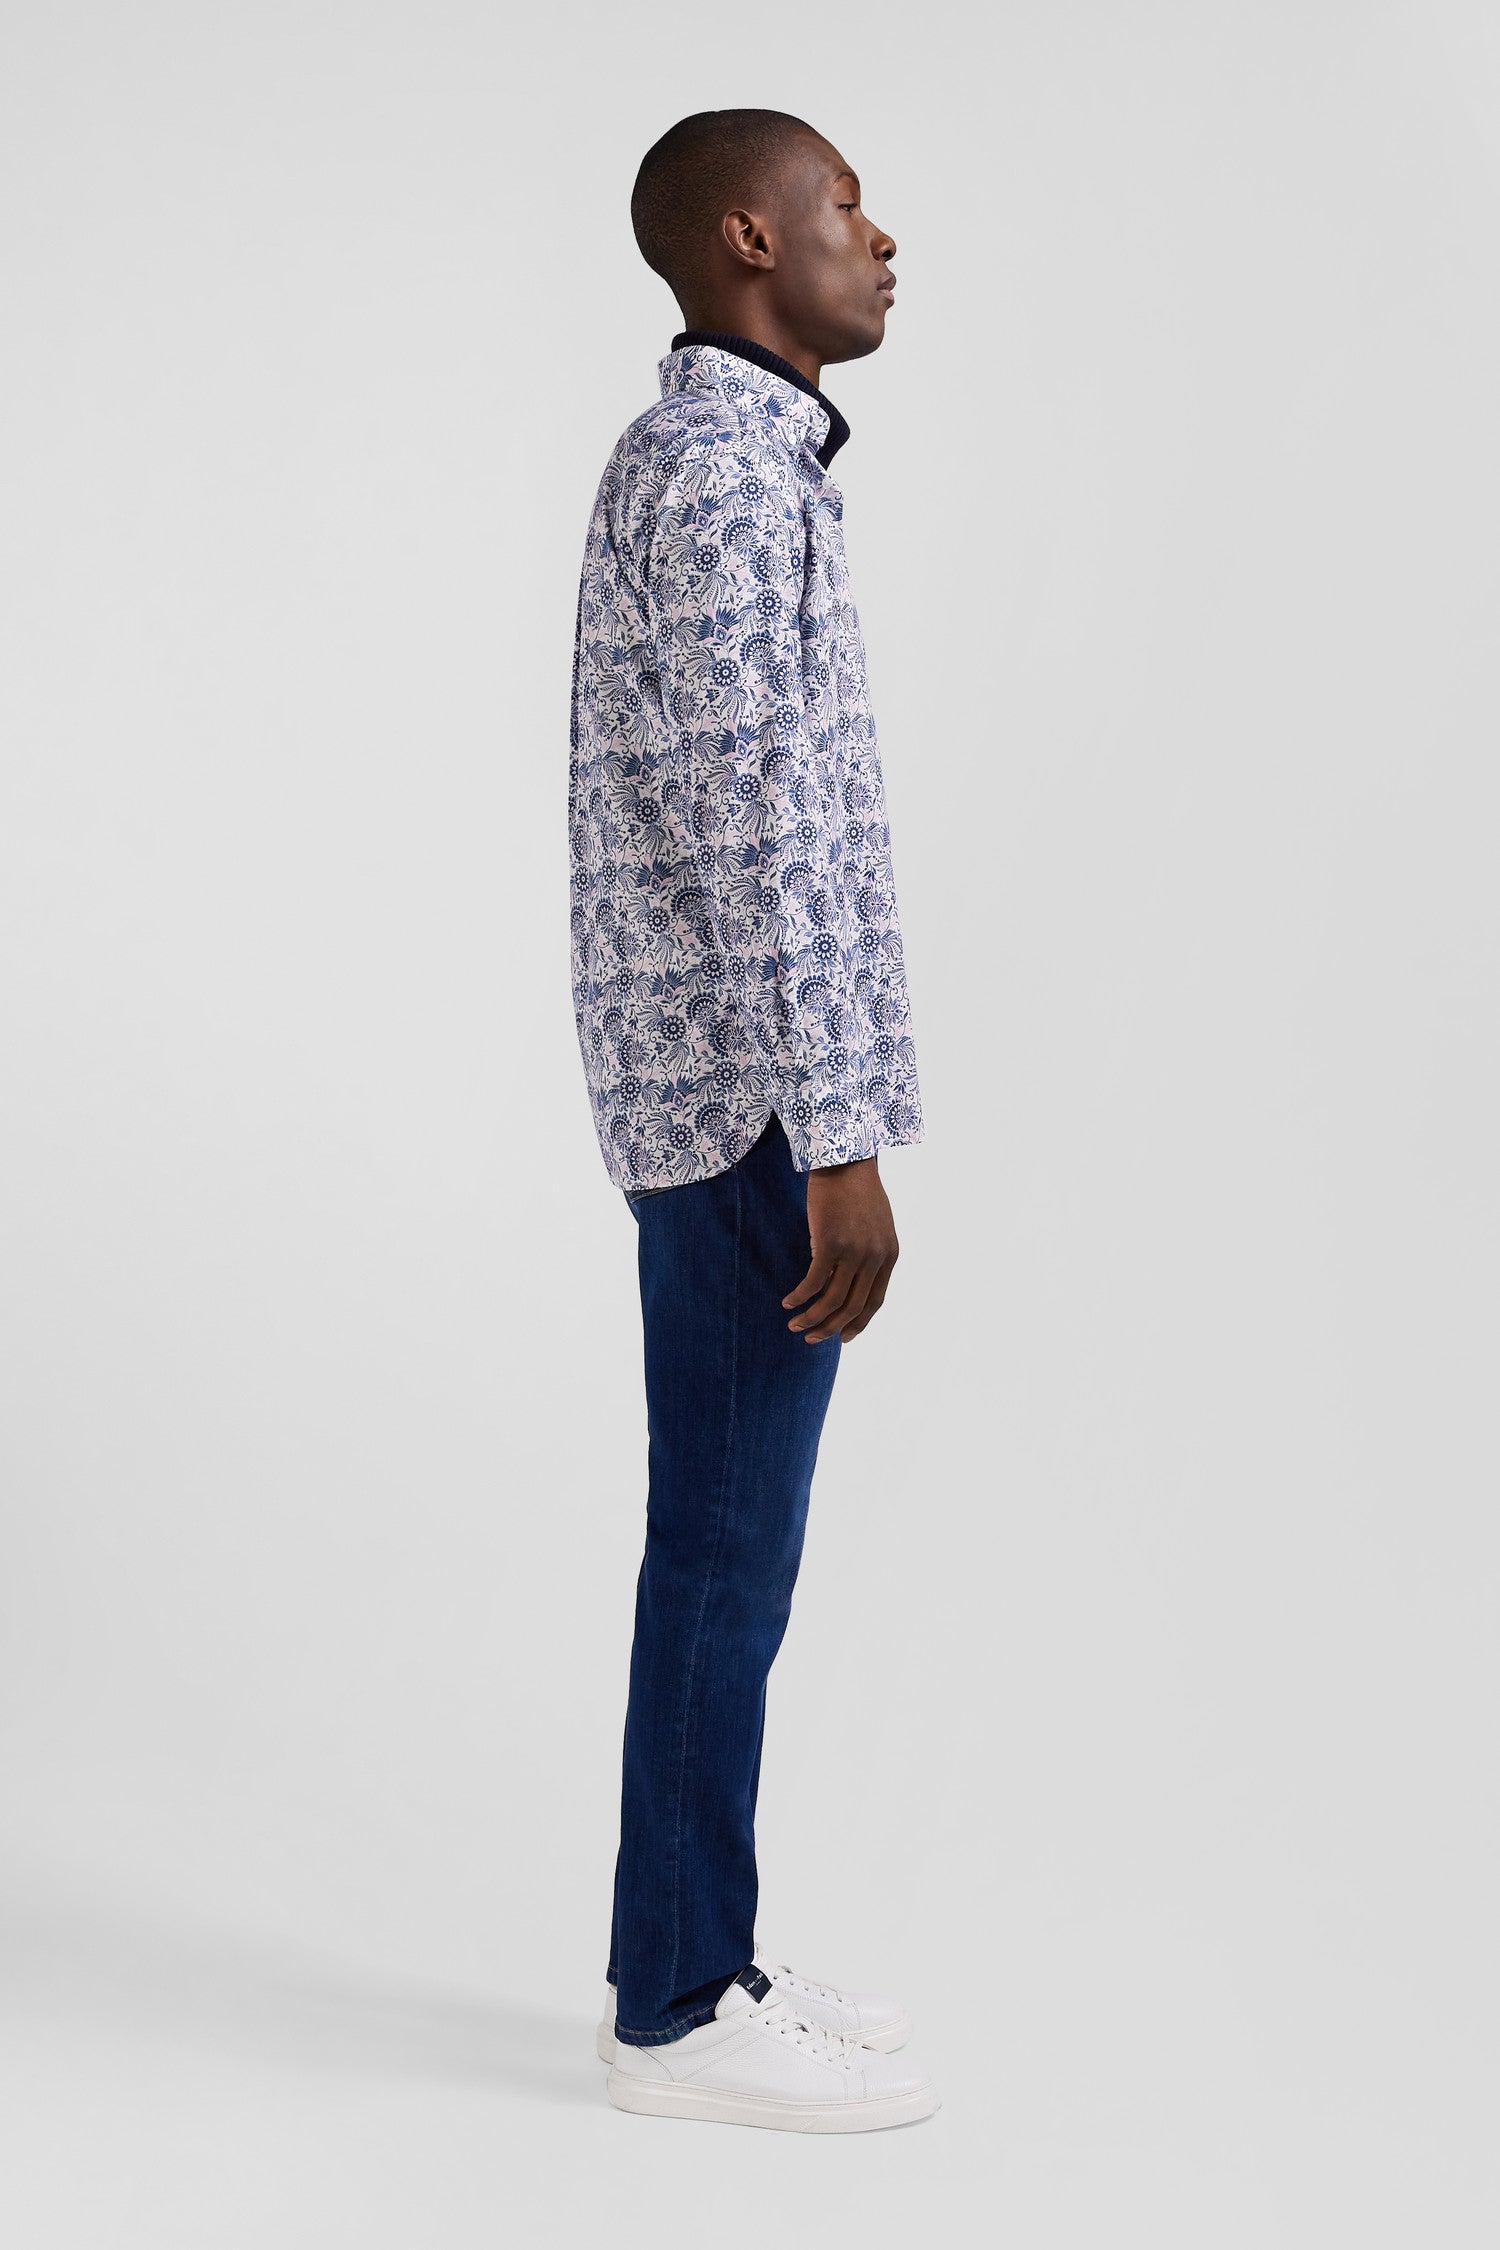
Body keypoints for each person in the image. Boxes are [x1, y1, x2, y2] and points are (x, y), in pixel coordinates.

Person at [567, 108, 937, 2132]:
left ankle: (699, 1947)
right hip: (746, 1117)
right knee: (722, 1556)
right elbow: (755, 832)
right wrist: (839, 1134)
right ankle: (681, 2009)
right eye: (844, 209)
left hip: (742, 1101)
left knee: (728, 1552)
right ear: (746, 242)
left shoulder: (736, 463)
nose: (882, 241)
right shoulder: (719, 476)